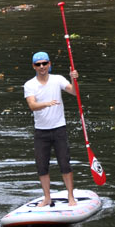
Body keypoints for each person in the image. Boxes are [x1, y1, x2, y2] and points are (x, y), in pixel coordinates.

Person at [23, 51, 79, 206]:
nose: (42, 67)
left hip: (59, 128)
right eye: (38, 64)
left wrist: (74, 80)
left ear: (49, 64)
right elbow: (32, 105)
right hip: (41, 131)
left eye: (44, 63)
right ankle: (47, 198)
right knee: (42, 166)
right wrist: (46, 104)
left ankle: (71, 197)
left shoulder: (58, 79)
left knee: (65, 164)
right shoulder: (30, 85)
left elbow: (74, 92)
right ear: (34, 67)